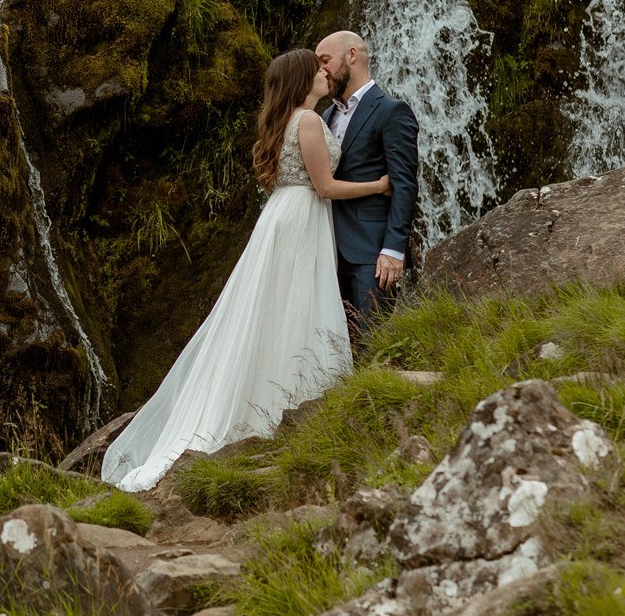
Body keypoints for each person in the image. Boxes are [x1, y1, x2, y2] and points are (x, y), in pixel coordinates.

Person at [102, 50, 390, 492]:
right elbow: (326, 186)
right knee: (296, 304)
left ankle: (278, 408)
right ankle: (289, 408)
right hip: (301, 217)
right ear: (300, 78)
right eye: (316, 69)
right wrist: (379, 185)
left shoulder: (288, 121)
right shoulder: (308, 121)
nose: (324, 72)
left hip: (282, 216)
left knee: (273, 309)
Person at [315, 30, 420, 325]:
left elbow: (405, 185)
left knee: (371, 345)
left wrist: (393, 249)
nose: (321, 72)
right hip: (327, 252)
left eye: (325, 61)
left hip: (371, 255)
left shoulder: (392, 111)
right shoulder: (324, 117)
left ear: (351, 55)